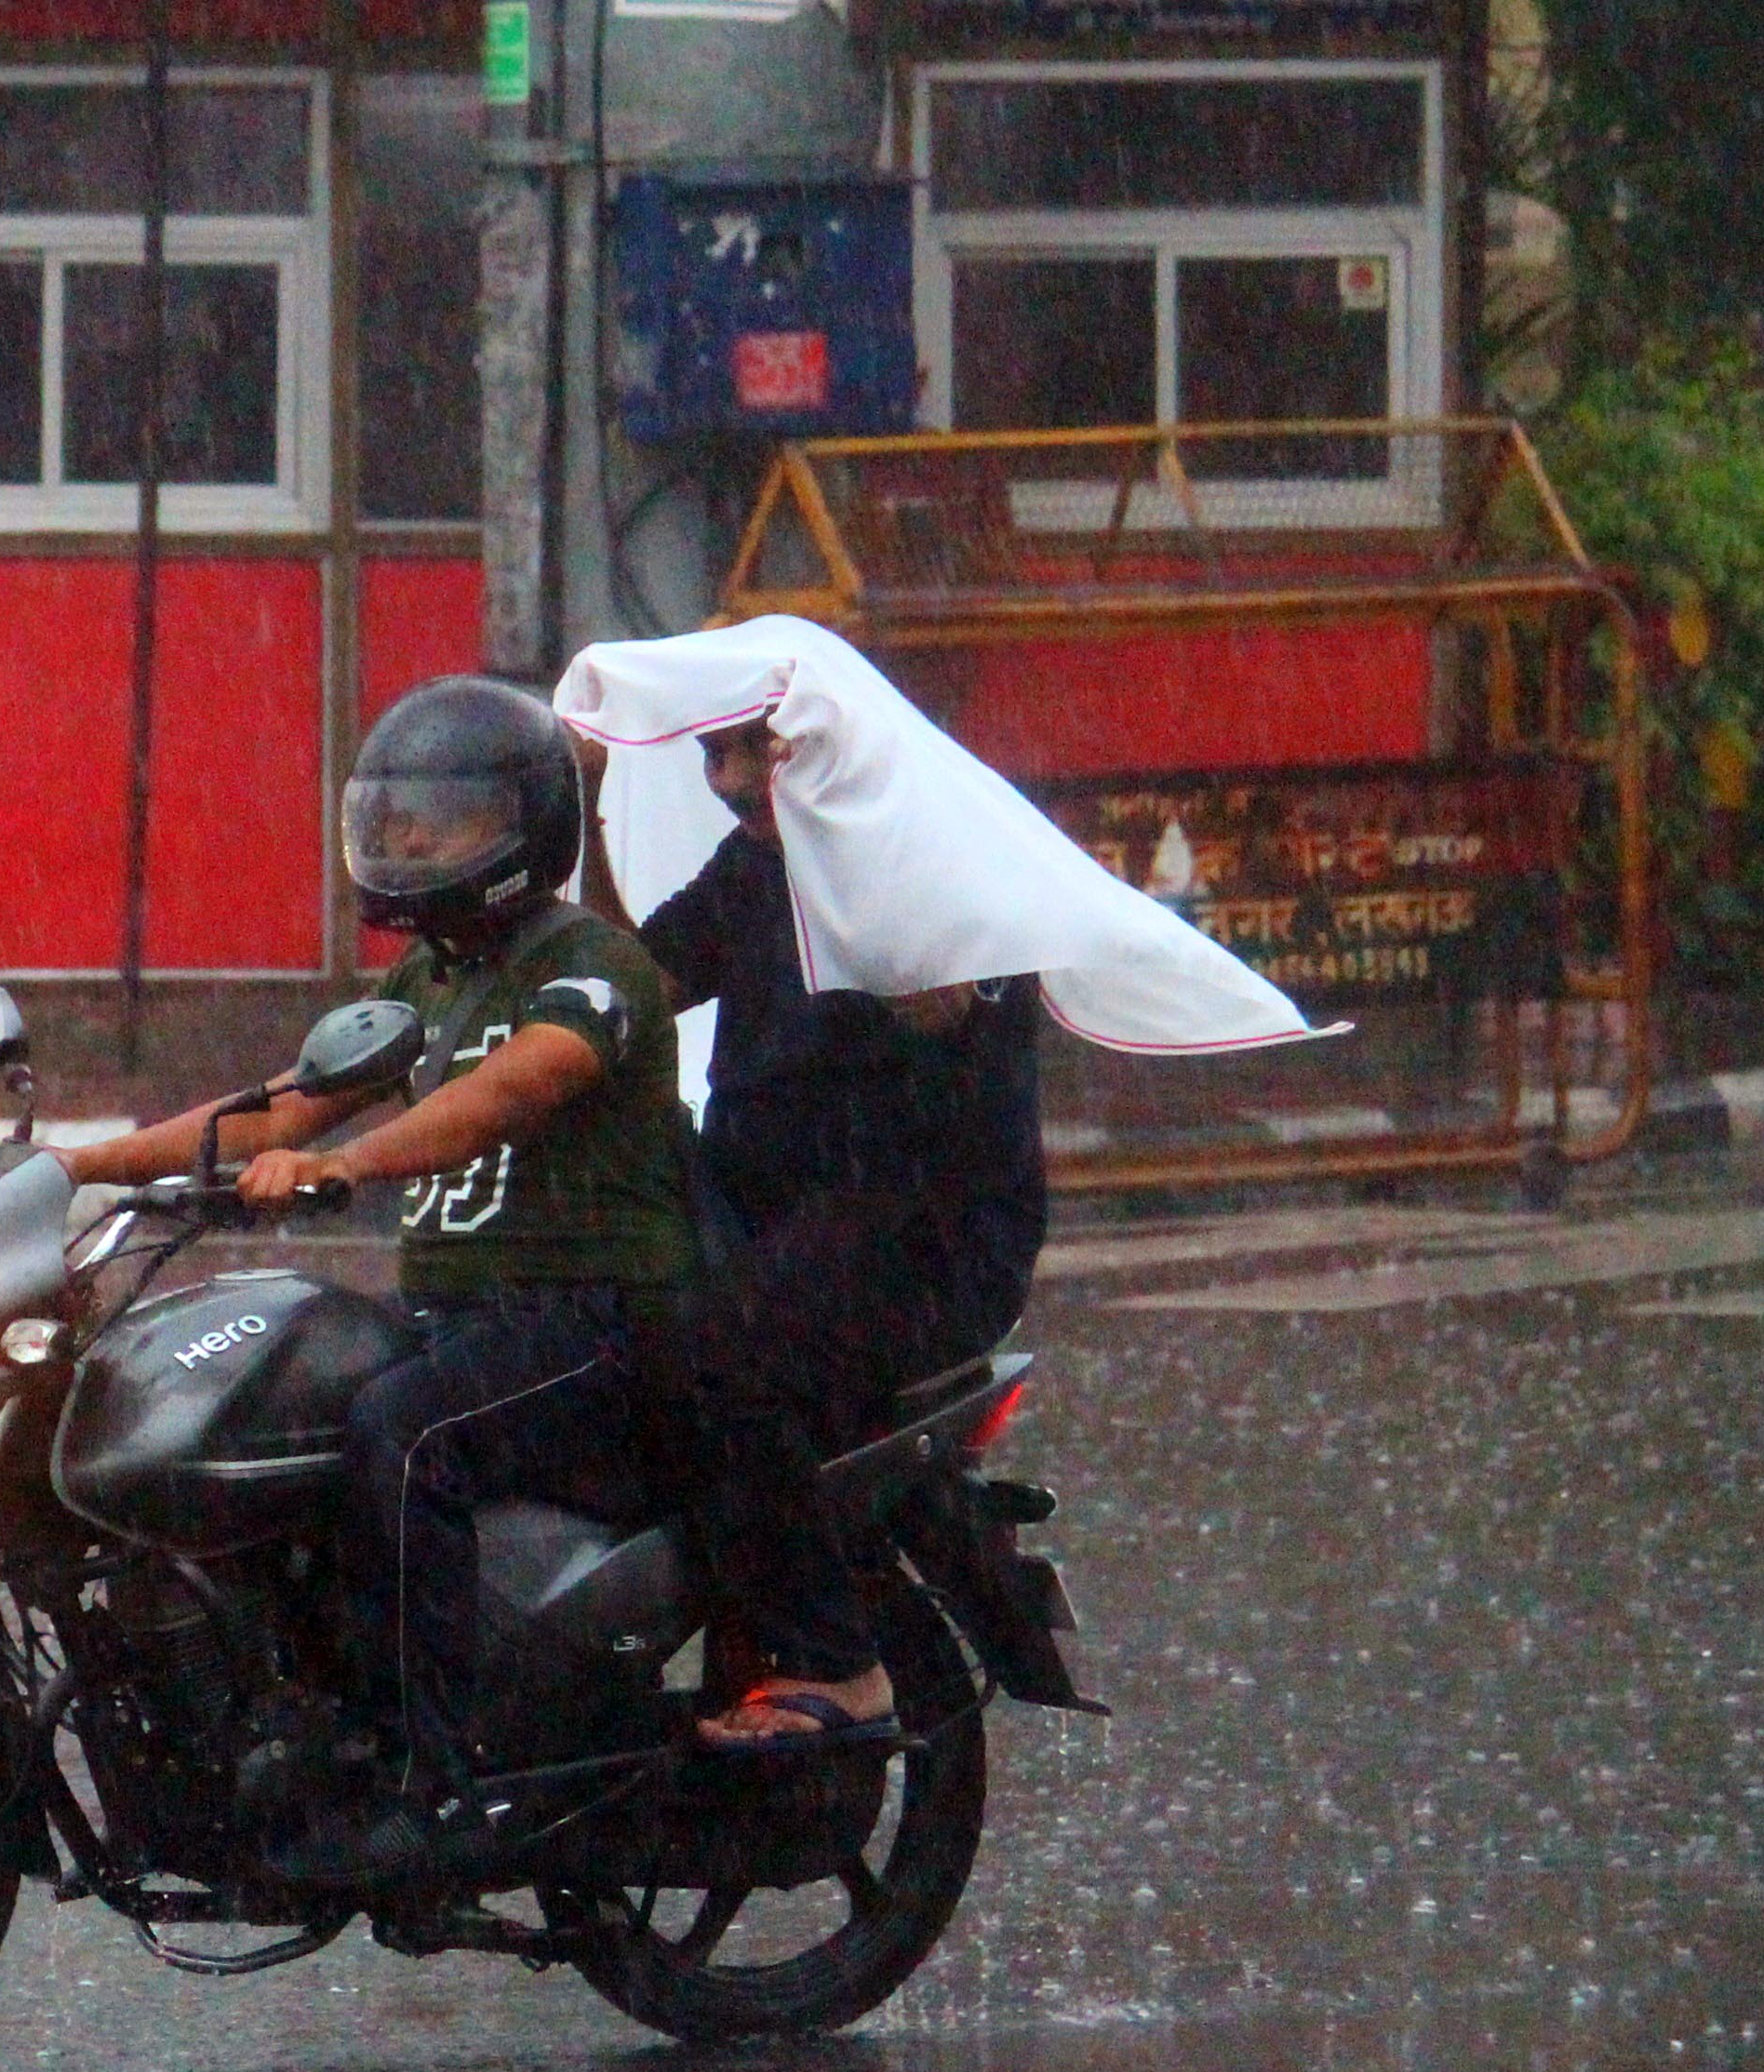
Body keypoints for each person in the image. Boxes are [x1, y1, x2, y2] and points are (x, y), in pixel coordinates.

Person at [61, 676, 697, 1873]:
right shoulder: (429, 982)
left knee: (403, 1435)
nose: (408, 844)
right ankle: (314, 1720)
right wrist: (77, 1167)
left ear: (527, 830)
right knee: (283, 1400)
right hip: (462, 1315)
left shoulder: (596, 965)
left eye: (443, 822)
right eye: (396, 819)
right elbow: (279, 1104)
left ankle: (438, 1785)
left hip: (598, 1320)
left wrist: (338, 1166)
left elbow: (502, 1095)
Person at [628, 715, 1046, 1753]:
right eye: (711, 760)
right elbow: (633, 987)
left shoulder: (934, 855)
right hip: (773, 1218)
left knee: (725, 1355)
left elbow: (945, 1002)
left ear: (825, 747)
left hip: (918, 1236)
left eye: (749, 755)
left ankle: (838, 1662)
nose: (728, 783)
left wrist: (874, 901)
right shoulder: (753, 864)